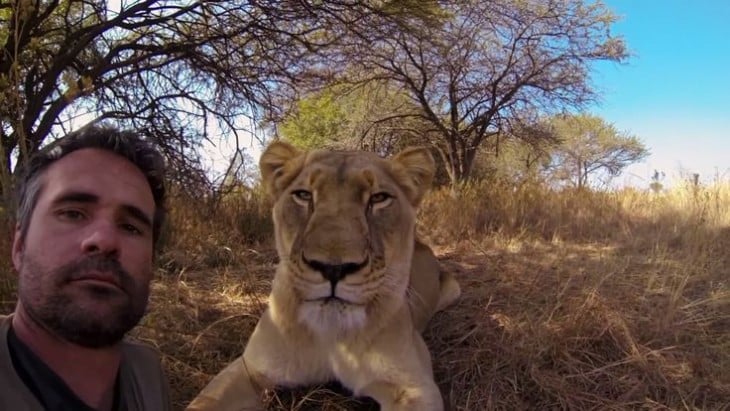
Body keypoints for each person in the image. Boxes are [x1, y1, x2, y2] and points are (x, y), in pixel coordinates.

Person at [0, 125, 172, 410]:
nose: (104, 240)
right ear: (19, 246)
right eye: (73, 213)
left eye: (130, 226)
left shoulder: (148, 376)